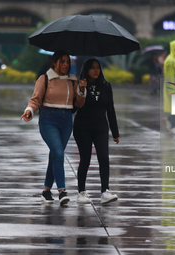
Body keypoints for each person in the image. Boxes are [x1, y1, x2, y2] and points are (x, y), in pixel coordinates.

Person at [20, 51, 87, 205]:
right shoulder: (45, 78)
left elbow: (79, 104)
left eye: (67, 62)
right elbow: (35, 100)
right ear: (54, 62)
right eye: (62, 61)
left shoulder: (72, 80)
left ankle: (46, 191)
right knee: (57, 152)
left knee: (55, 155)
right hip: (48, 120)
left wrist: (82, 90)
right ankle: (62, 191)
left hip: (66, 122)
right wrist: (29, 111)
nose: (65, 65)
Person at [73, 58, 120, 205]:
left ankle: (105, 191)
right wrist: (81, 90)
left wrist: (115, 132)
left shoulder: (106, 86)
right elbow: (75, 108)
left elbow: (110, 109)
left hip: (101, 128)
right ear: (86, 70)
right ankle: (81, 192)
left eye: (98, 67)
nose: (96, 70)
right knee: (85, 159)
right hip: (83, 128)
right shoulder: (80, 85)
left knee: (104, 159)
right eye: (92, 68)